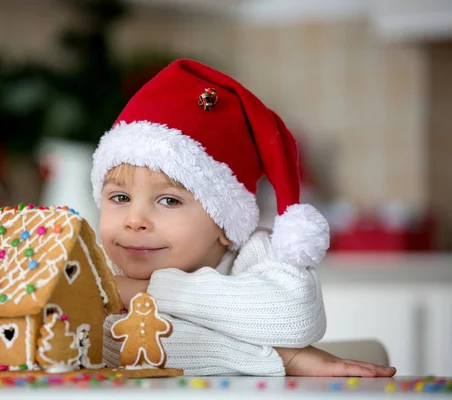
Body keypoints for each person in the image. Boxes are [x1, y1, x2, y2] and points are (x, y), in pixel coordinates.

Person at [90, 58, 396, 377]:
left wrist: (147, 291)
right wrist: (280, 358)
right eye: (120, 198)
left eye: (168, 200)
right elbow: (115, 348)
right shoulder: (95, 267)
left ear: (225, 222)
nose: (134, 219)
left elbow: (296, 317)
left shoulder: (253, 252)